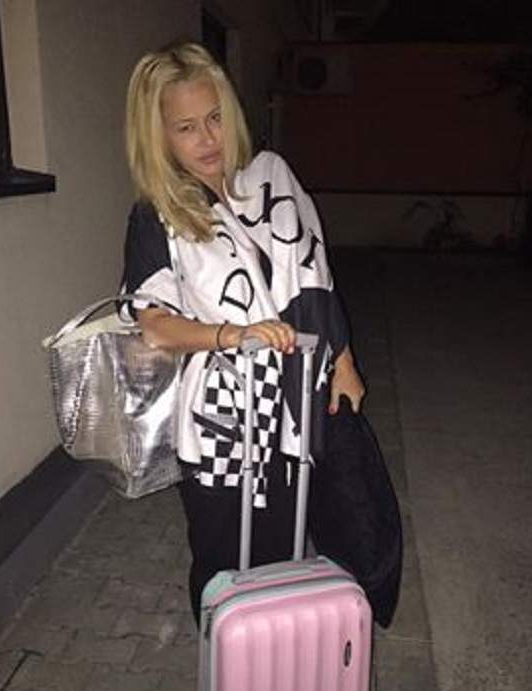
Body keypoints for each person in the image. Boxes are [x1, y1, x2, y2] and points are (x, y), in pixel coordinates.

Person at [120, 42, 365, 624]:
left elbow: (315, 274)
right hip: (221, 419)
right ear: (158, 137)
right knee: (223, 561)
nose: (208, 139)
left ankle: (273, 655)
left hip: (294, 401)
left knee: (284, 545)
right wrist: (233, 334)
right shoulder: (157, 215)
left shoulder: (270, 181)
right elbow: (154, 324)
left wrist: (345, 361)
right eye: (186, 128)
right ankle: (226, 660)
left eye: (215, 118)